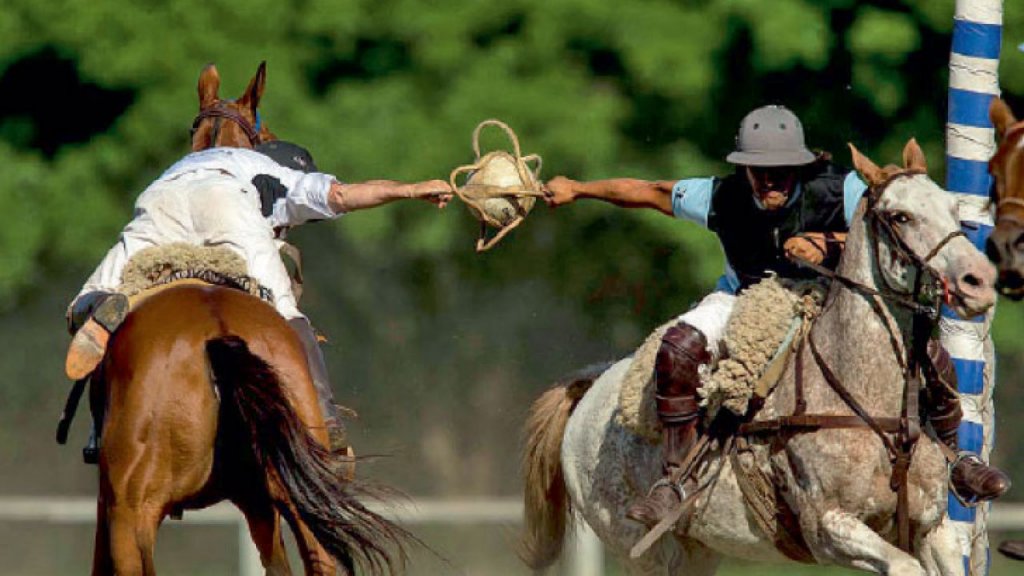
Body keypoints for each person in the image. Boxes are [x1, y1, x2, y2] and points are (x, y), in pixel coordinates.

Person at [544, 104, 1010, 530]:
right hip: (744, 298)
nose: (770, 182)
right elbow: (648, 192)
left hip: (831, 296)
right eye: (759, 172)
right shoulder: (719, 196)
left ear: (802, 166)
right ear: (744, 168)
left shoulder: (840, 189)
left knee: (926, 349)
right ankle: (674, 478)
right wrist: (578, 190)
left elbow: (895, 228)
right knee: (678, 347)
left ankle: (956, 459)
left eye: (781, 172)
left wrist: (828, 244)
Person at [67, 141, 452, 456]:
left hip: (159, 199)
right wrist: (410, 190)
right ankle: (324, 422)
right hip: (226, 202)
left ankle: (103, 313)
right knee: (284, 312)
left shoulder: (202, 159)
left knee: (89, 296)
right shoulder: (284, 177)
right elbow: (342, 195)